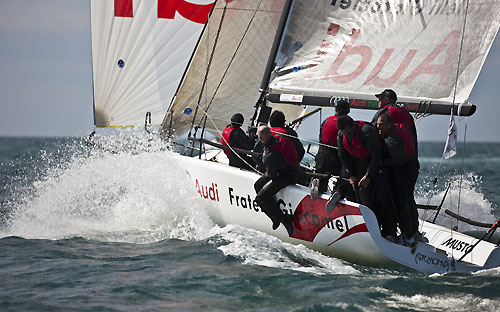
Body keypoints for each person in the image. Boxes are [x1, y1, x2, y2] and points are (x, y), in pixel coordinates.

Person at [337, 116, 397, 239]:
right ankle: (370, 230)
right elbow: (342, 155)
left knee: (382, 198)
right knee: (365, 200)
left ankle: (389, 232)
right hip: (359, 165)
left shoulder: (367, 132)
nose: (346, 135)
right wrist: (351, 175)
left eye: (348, 132)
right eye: (344, 133)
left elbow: (376, 155)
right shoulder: (341, 135)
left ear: (353, 126)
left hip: (375, 165)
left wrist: (369, 175)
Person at [371, 89, 419, 226]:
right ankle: (411, 230)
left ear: (386, 99)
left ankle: (389, 230)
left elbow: (372, 134)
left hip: (391, 164)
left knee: (388, 197)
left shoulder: (382, 114)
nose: (378, 101)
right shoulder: (407, 114)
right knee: (407, 198)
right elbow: (413, 139)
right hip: (410, 163)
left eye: (379, 98)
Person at [377, 113, 420, 245]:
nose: (378, 126)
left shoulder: (392, 139)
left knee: (401, 202)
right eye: (378, 123)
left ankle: (406, 234)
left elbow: (398, 160)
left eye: (381, 124)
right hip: (411, 168)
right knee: (407, 200)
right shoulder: (400, 128)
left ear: (389, 124)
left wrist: (382, 162)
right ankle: (412, 231)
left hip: (402, 172)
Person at [254, 126, 298, 236]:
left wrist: (264, 167)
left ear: (260, 138)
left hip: (287, 177)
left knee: (260, 199)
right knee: (257, 185)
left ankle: (282, 219)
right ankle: (274, 214)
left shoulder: (271, 153)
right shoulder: (280, 138)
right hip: (294, 170)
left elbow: (271, 175)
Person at [314, 99, 353, 201]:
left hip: (322, 155)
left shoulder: (326, 120)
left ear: (335, 110)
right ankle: (338, 191)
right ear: (348, 111)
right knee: (345, 175)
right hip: (336, 157)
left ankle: (318, 184)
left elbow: (321, 138)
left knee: (321, 175)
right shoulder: (348, 123)